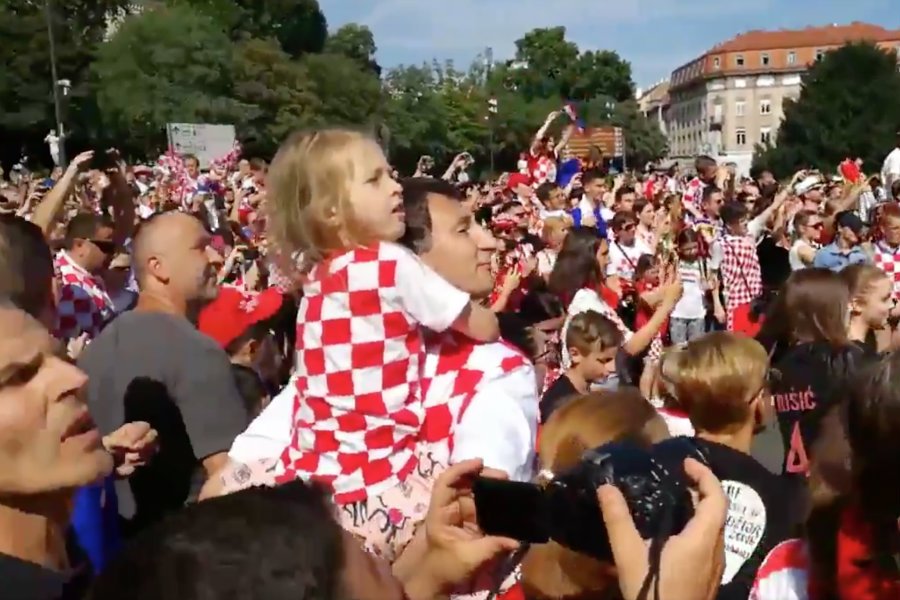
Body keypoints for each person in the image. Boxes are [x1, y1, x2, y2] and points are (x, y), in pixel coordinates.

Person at [78, 211, 249, 535]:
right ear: (158, 268)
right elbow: (231, 483)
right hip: (183, 556)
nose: (216, 256)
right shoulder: (196, 351)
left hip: (121, 558)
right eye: (200, 247)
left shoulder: (96, 349)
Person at [540, 311, 622, 423]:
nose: (612, 368)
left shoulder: (586, 393)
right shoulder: (561, 406)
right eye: (604, 361)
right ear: (575, 354)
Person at [54, 214, 117, 343]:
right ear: (79, 245)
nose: (112, 253)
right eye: (106, 247)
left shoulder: (87, 275)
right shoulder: (69, 287)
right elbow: (81, 345)